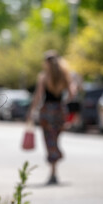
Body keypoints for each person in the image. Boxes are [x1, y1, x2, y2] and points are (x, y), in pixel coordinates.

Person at [26, 50, 75, 185]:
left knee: (50, 140)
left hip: (47, 111)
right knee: (55, 138)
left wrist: (31, 110)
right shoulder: (65, 76)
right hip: (60, 110)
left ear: (46, 63)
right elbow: (72, 94)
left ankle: (54, 169)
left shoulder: (44, 77)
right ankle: (55, 166)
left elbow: (38, 96)